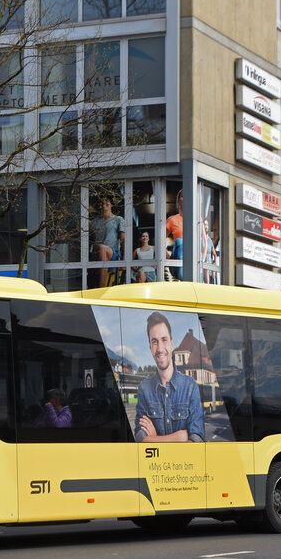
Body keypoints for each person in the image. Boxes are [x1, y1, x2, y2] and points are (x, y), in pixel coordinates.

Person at [134, 311, 204, 442]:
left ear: (171, 343)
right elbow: (139, 438)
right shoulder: (144, 388)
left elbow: (197, 441)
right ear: (150, 347)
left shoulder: (190, 387)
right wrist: (179, 437)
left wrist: (154, 438)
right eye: (154, 342)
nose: (160, 348)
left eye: (164, 340)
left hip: (184, 463)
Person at [89, 195, 126, 288]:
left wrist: (124, 261)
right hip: (96, 253)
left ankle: (101, 288)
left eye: (106, 201)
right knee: (100, 248)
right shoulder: (94, 222)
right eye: (101, 202)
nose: (103, 203)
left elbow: (123, 240)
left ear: (111, 204)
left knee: (103, 248)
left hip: (112, 254)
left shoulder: (118, 219)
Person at [165, 189, 184, 280]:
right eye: (182, 196)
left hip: (193, 261)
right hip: (176, 262)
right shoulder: (172, 219)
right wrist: (167, 256)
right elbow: (159, 240)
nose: (185, 199)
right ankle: (183, 278)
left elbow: (204, 243)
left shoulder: (197, 220)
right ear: (178, 201)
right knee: (180, 241)